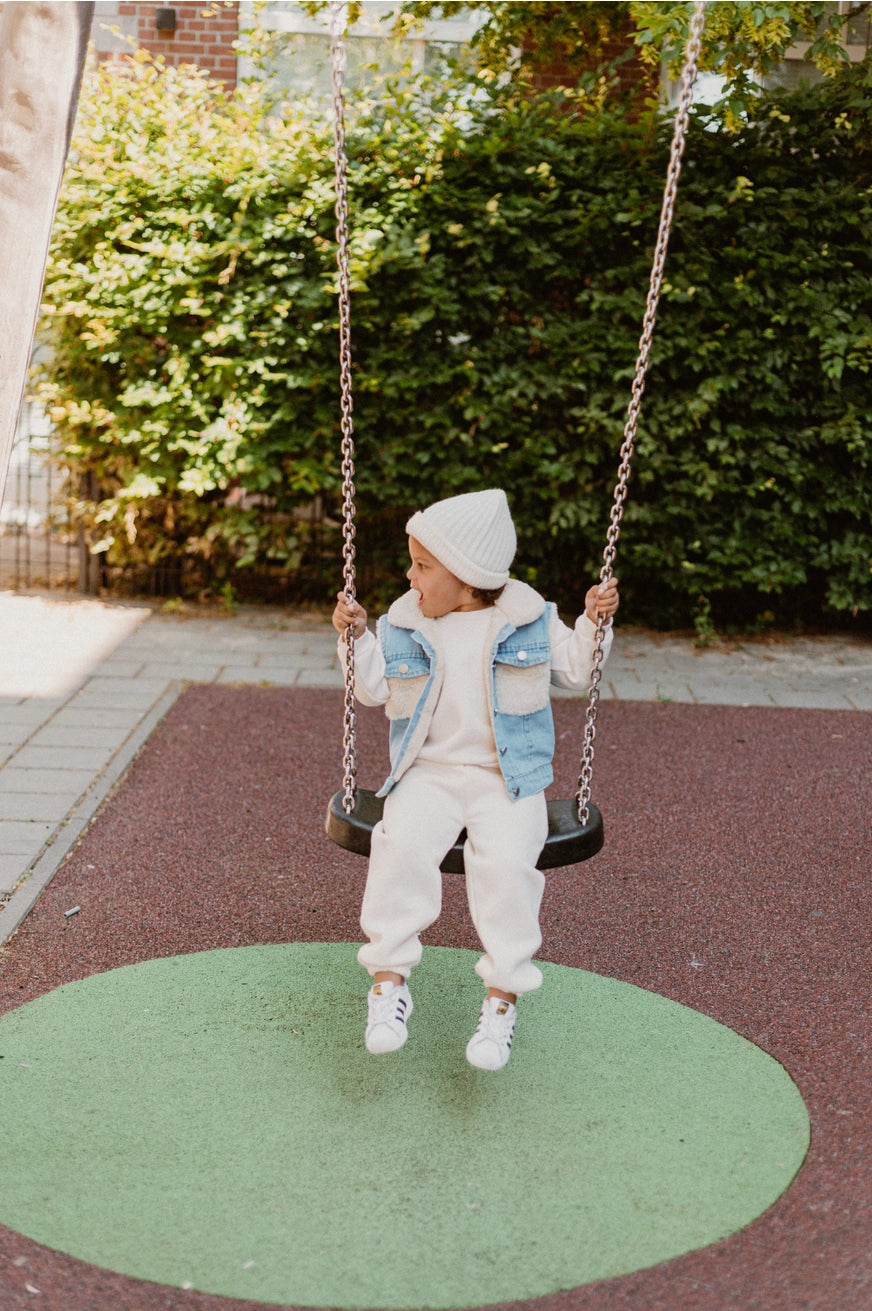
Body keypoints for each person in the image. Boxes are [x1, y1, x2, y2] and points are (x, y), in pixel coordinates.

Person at [332, 488, 619, 1071]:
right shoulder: (405, 624)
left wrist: (593, 622)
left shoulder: (527, 618)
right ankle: (389, 984)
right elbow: (370, 688)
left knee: (510, 866)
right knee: (398, 848)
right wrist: (355, 637)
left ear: (467, 577)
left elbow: (575, 668)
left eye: (422, 565)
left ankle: (501, 1001)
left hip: (508, 778)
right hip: (428, 775)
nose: (410, 576)